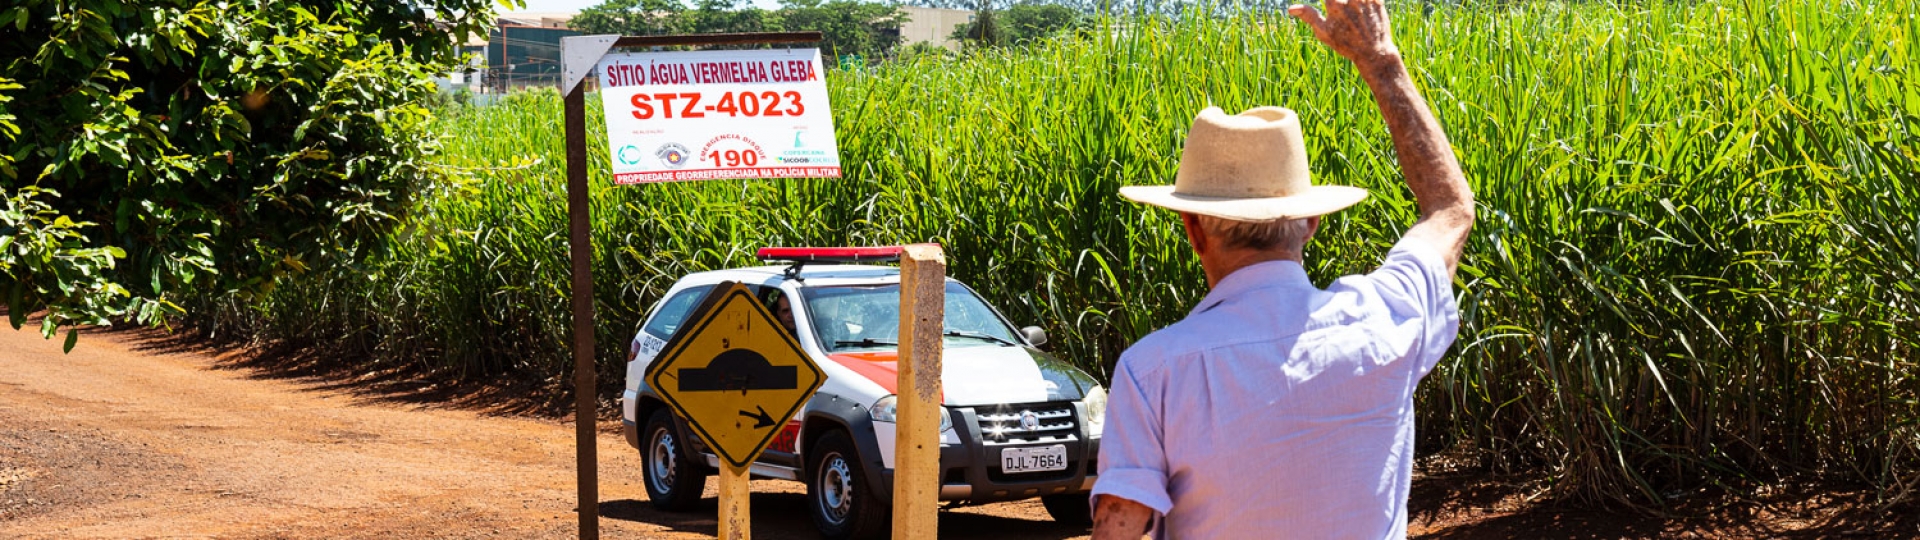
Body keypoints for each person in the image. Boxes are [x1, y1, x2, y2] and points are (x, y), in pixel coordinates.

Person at [1088, 0, 1476, 538]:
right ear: (1312, 220)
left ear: (1192, 230)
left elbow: (1121, 523)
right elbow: (1450, 209)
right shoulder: (1386, 318)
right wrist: (1380, 60)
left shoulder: (1153, 370)